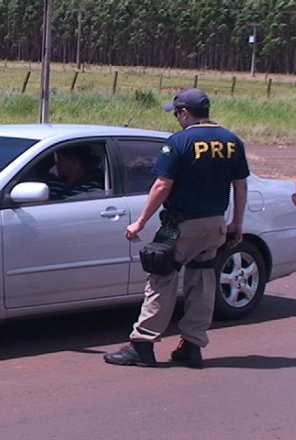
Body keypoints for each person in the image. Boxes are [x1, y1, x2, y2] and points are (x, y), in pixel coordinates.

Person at [103, 88, 250, 369]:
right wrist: (236, 224)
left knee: (161, 279)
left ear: (185, 112)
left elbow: (162, 185)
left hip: (182, 225)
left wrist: (140, 222)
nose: (176, 118)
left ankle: (142, 345)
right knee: (203, 281)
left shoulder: (180, 141)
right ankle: (192, 346)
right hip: (214, 223)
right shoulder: (231, 140)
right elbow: (240, 185)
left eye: (176, 113)